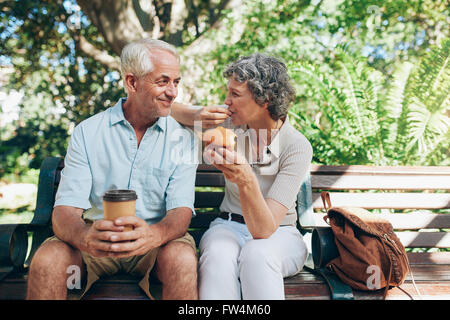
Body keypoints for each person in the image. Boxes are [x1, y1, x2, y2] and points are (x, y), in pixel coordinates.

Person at [26, 39, 198, 300]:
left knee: (182, 258)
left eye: (176, 82)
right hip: (94, 243)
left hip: (155, 245)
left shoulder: (183, 139)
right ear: (132, 82)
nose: (173, 92)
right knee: (49, 259)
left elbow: (180, 213)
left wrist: (153, 235)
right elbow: (65, 212)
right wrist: (85, 237)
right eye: (163, 81)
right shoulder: (88, 132)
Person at [170, 53, 312, 299]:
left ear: (264, 99)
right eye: (228, 92)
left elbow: (264, 230)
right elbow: (169, 110)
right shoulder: (229, 128)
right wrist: (198, 115)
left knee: (257, 254)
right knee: (217, 256)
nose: (227, 102)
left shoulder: (296, 146)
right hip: (227, 225)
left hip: (280, 233)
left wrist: (245, 179)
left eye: (235, 95)